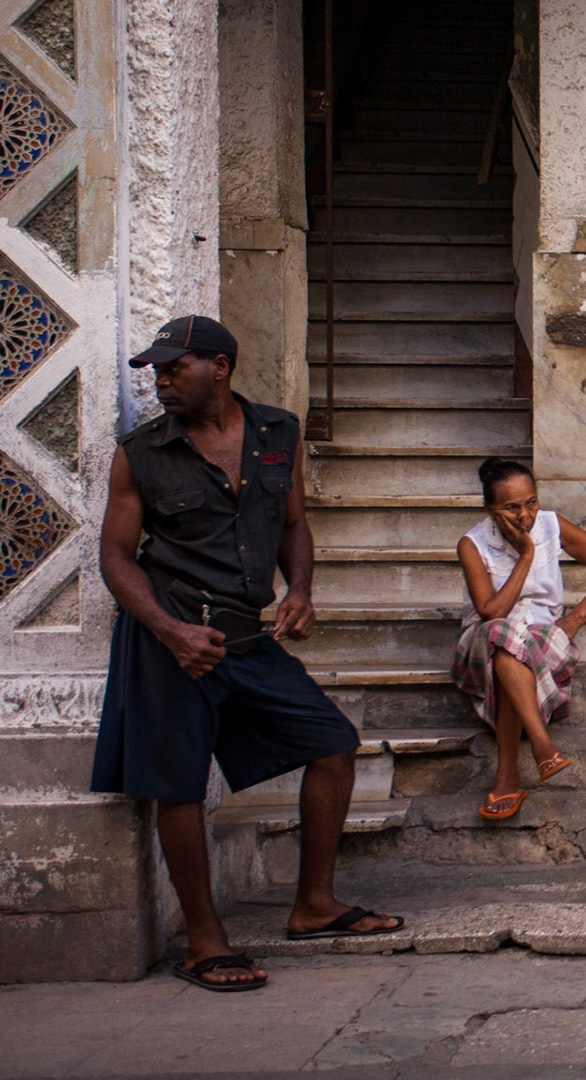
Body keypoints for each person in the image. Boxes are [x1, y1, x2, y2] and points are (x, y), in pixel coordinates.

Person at [92, 315, 402, 993]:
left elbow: (292, 521)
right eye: (156, 371)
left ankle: (314, 904)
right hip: (170, 638)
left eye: (174, 367)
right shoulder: (141, 453)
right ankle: (205, 941)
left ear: (220, 367)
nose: (161, 381)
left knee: (333, 744)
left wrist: (302, 590)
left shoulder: (277, 433)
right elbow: (116, 558)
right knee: (177, 784)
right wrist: (169, 631)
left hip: (245, 635)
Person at [454, 457, 586, 821]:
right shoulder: (472, 544)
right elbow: (491, 612)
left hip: (542, 638)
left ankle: (508, 777)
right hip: (483, 642)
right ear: (490, 509)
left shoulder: (550, 524)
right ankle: (541, 745)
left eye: (531, 503)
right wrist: (526, 554)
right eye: (511, 508)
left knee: (512, 653)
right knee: (504, 636)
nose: (525, 515)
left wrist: (575, 619)